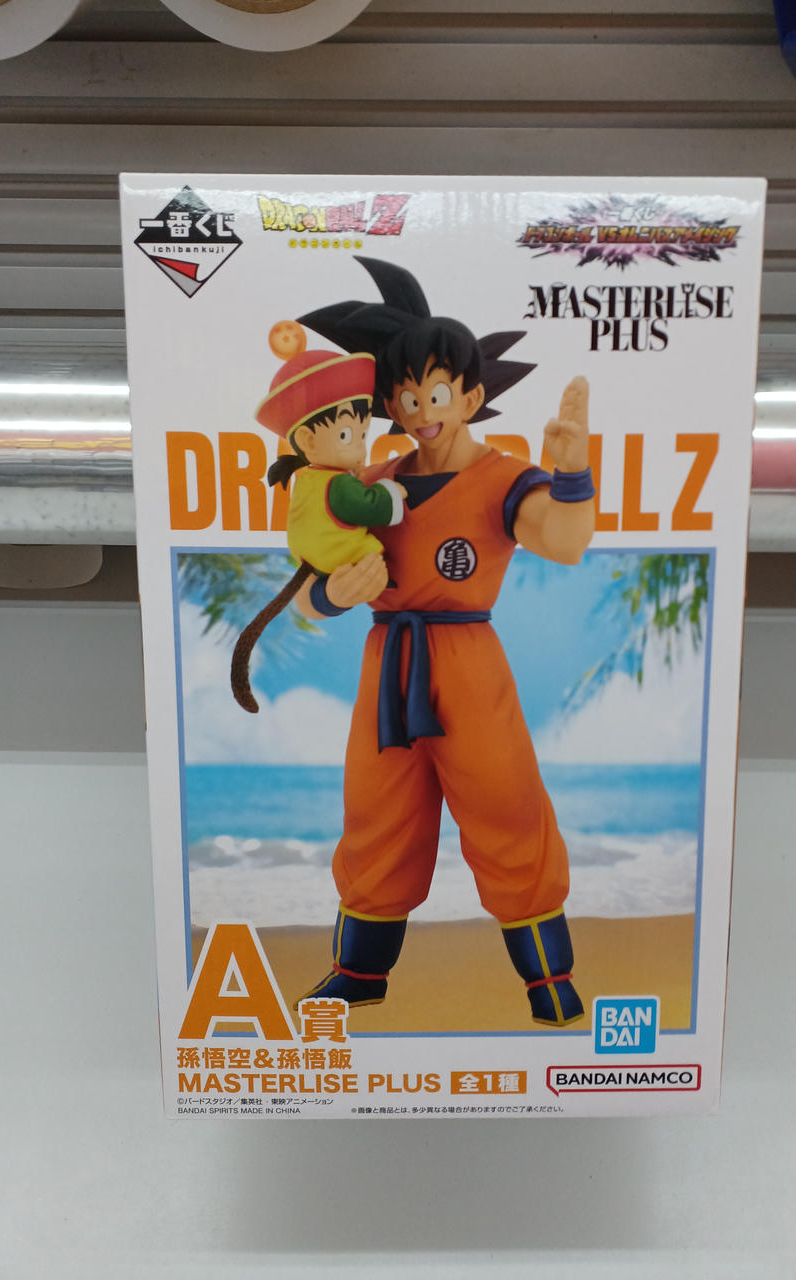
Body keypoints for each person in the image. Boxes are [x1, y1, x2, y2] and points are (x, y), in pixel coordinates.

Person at [295, 257, 595, 1026]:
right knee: (377, 813)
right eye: (403, 394)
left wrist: (572, 474)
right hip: (388, 663)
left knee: (506, 806)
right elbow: (307, 589)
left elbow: (564, 542)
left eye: (434, 392)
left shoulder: (506, 479)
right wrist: (333, 594)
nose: (418, 409)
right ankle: (359, 973)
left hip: (468, 666)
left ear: (469, 395)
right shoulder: (368, 483)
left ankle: (548, 979)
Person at [229, 320, 405, 714]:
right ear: (308, 441)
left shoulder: (313, 481)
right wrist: (331, 597)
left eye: (363, 435)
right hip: (382, 641)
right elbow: (309, 599)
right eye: (348, 436)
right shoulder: (347, 482)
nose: (360, 449)